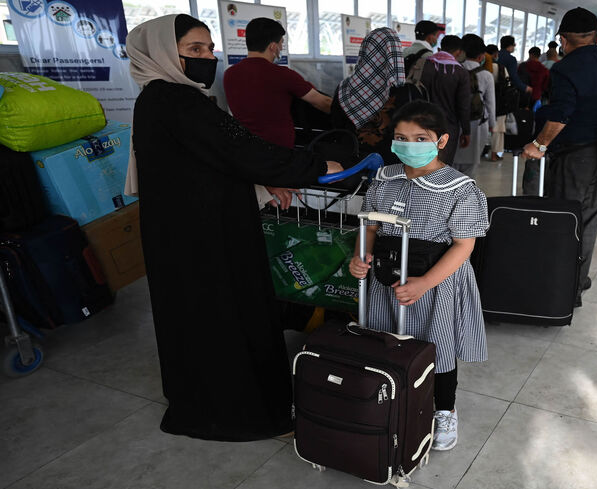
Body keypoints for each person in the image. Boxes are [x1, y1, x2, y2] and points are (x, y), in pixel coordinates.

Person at [125, 14, 342, 441]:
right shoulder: (176, 101)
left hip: (187, 229)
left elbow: (214, 157)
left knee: (199, 315)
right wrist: (315, 167)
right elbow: (239, 149)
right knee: (225, 312)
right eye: (194, 50)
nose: (208, 58)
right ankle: (238, 411)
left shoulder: (160, 97)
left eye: (209, 49)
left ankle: (207, 400)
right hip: (204, 236)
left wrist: (266, 177)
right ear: (165, 54)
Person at [349, 100, 488, 451]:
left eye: (419, 138)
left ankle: (444, 409)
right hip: (387, 277)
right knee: (383, 336)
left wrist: (426, 282)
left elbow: (463, 245)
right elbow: (370, 227)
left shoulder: (460, 189)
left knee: (435, 345)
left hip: (434, 282)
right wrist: (360, 257)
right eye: (400, 137)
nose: (408, 145)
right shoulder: (385, 180)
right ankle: (384, 396)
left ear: (441, 141)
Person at [521, 7, 597, 306]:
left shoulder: (564, 69)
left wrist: (538, 145)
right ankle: (577, 279)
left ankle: (564, 288)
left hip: (577, 155)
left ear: (563, 40)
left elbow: (562, 115)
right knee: (589, 218)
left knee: (565, 219)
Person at [223, 17, 332, 209]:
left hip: (244, 156)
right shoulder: (282, 75)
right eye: (281, 43)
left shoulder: (230, 74)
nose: (281, 48)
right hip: (278, 159)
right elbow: (321, 102)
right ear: (273, 46)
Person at [331, 27, 406, 164]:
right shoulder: (407, 91)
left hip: (352, 163)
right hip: (393, 166)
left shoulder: (344, 88)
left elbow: (336, 123)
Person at [420, 34, 471, 165]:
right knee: (442, 164)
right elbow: (463, 106)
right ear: (458, 52)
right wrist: (466, 131)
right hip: (448, 127)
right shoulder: (461, 72)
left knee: (422, 163)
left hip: (422, 123)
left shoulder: (425, 65)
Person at [454, 34, 496, 176]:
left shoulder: (455, 70)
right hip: (478, 123)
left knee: (453, 162)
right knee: (471, 164)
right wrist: (492, 124)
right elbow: (490, 103)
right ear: (481, 55)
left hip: (457, 121)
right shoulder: (486, 75)